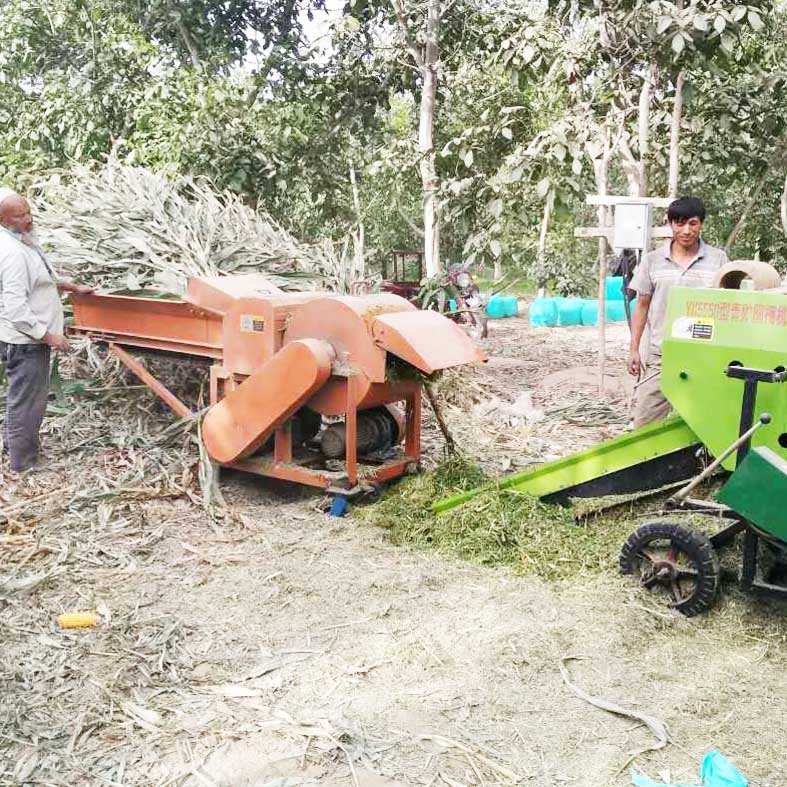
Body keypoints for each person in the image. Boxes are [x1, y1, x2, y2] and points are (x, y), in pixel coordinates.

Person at [0, 187, 93, 473]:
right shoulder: (13, 253)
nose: (28, 219)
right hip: (25, 341)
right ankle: (23, 464)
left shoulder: (23, 240)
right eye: (20, 215)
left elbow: (40, 278)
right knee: (27, 402)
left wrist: (70, 286)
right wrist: (48, 335)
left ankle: (13, 447)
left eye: (28, 212)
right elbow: (15, 307)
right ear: (3, 220)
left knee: (22, 399)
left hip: (25, 339)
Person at [627, 197, 728, 427]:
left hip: (704, 355)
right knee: (646, 420)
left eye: (692, 223)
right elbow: (642, 305)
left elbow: (726, 304)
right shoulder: (652, 261)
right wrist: (634, 348)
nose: (686, 230)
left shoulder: (718, 259)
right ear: (670, 224)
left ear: (701, 224)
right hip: (662, 354)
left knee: (704, 422)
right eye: (679, 223)